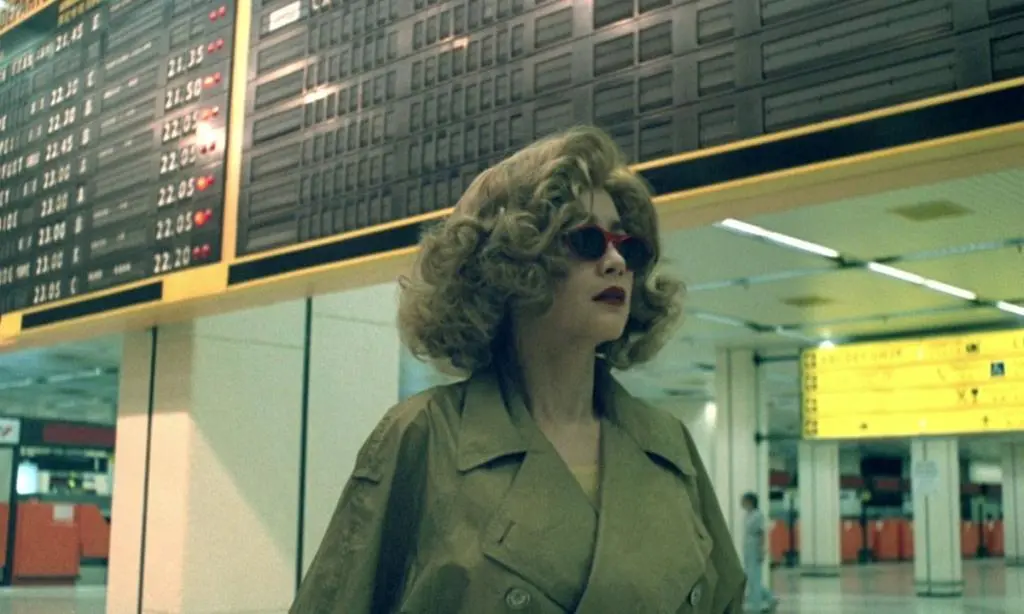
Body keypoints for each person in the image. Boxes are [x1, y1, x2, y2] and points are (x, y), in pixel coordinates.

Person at [291, 126, 746, 613]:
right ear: (511, 263)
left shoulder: (668, 446)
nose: (616, 262)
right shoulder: (426, 437)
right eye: (587, 240)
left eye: (627, 246)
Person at [740, 492, 778, 613]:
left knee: (754, 577)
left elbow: (762, 533)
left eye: (744, 501)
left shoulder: (758, 515)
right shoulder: (748, 515)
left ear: (750, 502)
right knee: (749, 576)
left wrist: (761, 550)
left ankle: (756, 605)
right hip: (748, 547)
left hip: (755, 547)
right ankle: (770, 598)